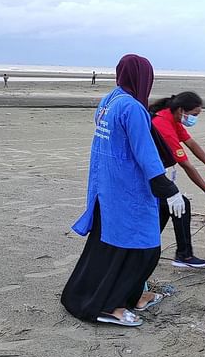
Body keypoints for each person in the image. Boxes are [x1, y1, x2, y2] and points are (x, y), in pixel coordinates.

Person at [61, 54, 182, 327]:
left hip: (107, 185)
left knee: (108, 245)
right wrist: (167, 188)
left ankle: (136, 296)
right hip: (128, 189)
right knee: (144, 248)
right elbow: (145, 153)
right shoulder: (133, 109)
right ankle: (110, 306)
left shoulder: (109, 101)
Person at [149, 91, 205, 268]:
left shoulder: (171, 117)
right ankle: (183, 255)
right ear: (181, 110)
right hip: (149, 176)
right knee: (178, 205)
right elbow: (186, 164)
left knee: (166, 210)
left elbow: (191, 143)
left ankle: (153, 251)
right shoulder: (163, 124)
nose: (194, 119)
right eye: (193, 115)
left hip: (156, 173)